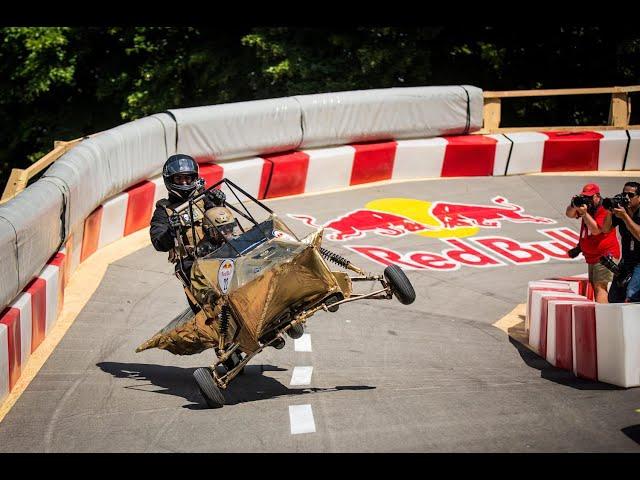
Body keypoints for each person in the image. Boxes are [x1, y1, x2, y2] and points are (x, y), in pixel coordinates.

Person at [150, 154, 226, 312]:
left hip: (220, 252)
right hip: (193, 263)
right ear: (170, 180)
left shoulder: (205, 197)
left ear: (195, 178)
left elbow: (227, 226)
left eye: (188, 178)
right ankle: (209, 314)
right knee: (187, 269)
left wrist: (220, 204)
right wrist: (170, 230)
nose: (184, 183)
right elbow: (158, 242)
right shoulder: (164, 210)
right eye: (179, 179)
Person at [565, 183, 620, 303]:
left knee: (600, 287)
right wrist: (574, 205)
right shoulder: (587, 207)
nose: (587, 200)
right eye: (585, 197)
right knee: (595, 286)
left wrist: (584, 214)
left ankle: (603, 318)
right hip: (592, 256)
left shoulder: (604, 208)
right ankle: (601, 315)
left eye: (590, 197)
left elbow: (596, 230)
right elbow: (569, 214)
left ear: (597, 196)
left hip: (605, 255)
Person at [602, 181, 640, 303]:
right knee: (614, 298)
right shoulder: (622, 211)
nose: (627, 198)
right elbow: (605, 229)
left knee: (631, 295)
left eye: (631, 195)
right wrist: (609, 211)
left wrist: (625, 217)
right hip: (627, 260)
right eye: (624, 194)